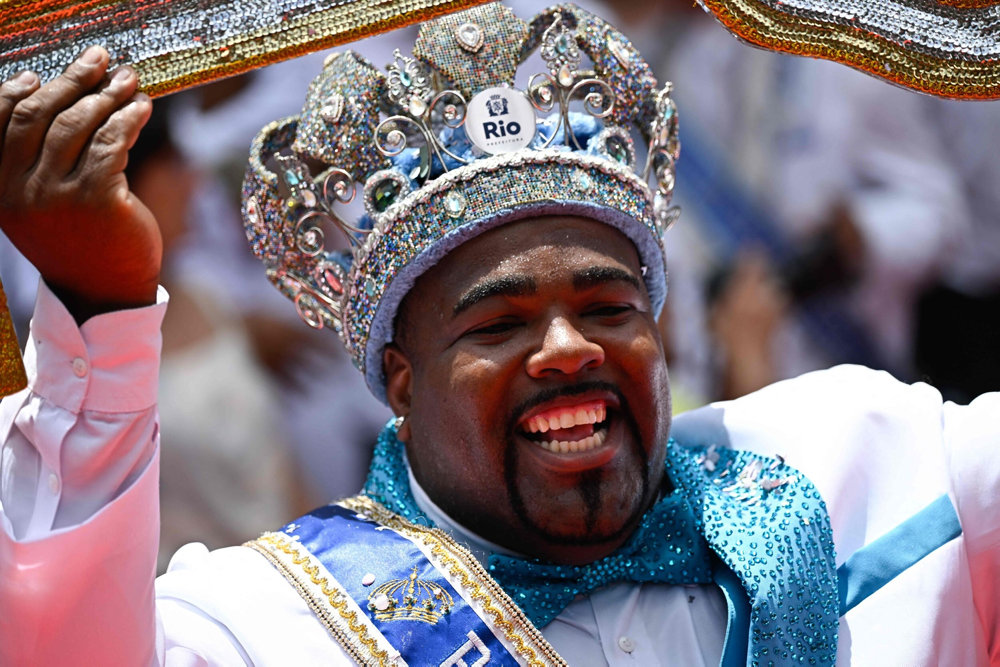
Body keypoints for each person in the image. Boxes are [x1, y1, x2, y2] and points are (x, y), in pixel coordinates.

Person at [0, 4, 996, 665]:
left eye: (609, 307)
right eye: (499, 321)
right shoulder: (274, 625)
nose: (568, 346)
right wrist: (98, 307)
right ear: (399, 379)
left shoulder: (862, 461)